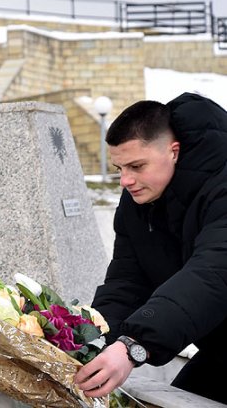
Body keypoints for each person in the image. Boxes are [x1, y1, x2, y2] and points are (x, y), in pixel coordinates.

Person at [74, 92, 227, 404]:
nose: (125, 181)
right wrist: (88, 341)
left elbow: (212, 275)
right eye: (119, 168)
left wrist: (134, 346)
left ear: (173, 151)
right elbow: (127, 282)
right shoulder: (138, 200)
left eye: (136, 165)